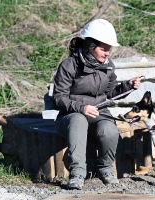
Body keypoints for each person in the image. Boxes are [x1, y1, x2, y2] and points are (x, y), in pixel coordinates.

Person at [53, 19, 141, 190]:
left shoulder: (108, 67)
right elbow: (58, 97)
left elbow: (110, 93)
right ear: (90, 46)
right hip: (69, 117)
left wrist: (127, 86)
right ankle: (77, 173)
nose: (107, 53)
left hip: (98, 113)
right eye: (103, 48)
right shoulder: (69, 65)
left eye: (109, 49)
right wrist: (81, 108)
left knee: (109, 130)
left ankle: (106, 168)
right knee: (78, 121)